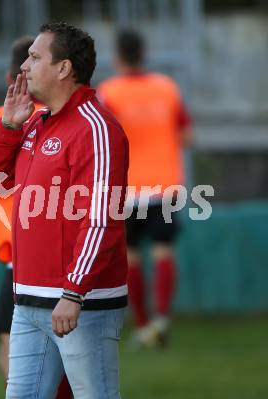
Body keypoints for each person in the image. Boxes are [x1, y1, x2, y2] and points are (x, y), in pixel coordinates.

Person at [0, 22, 129, 399]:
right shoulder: (35, 124)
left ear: (64, 68)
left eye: (34, 57)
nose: (24, 67)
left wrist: (74, 292)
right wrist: (9, 127)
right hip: (29, 301)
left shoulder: (97, 128)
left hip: (80, 305)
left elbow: (102, 219)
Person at [0, 35, 72, 399]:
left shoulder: (8, 117)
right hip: (35, 255)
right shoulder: (37, 118)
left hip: (25, 255)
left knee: (20, 348)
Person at [98, 30, 192, 347]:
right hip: (164, 186)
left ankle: (141, 325)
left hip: (127, 189)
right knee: (164, 250)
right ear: (144, 52)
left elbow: (102, 139)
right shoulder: (167, 88)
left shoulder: (109, 92)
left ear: (117, 57)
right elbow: (187, 135)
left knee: (132, 256)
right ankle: (162, 317)